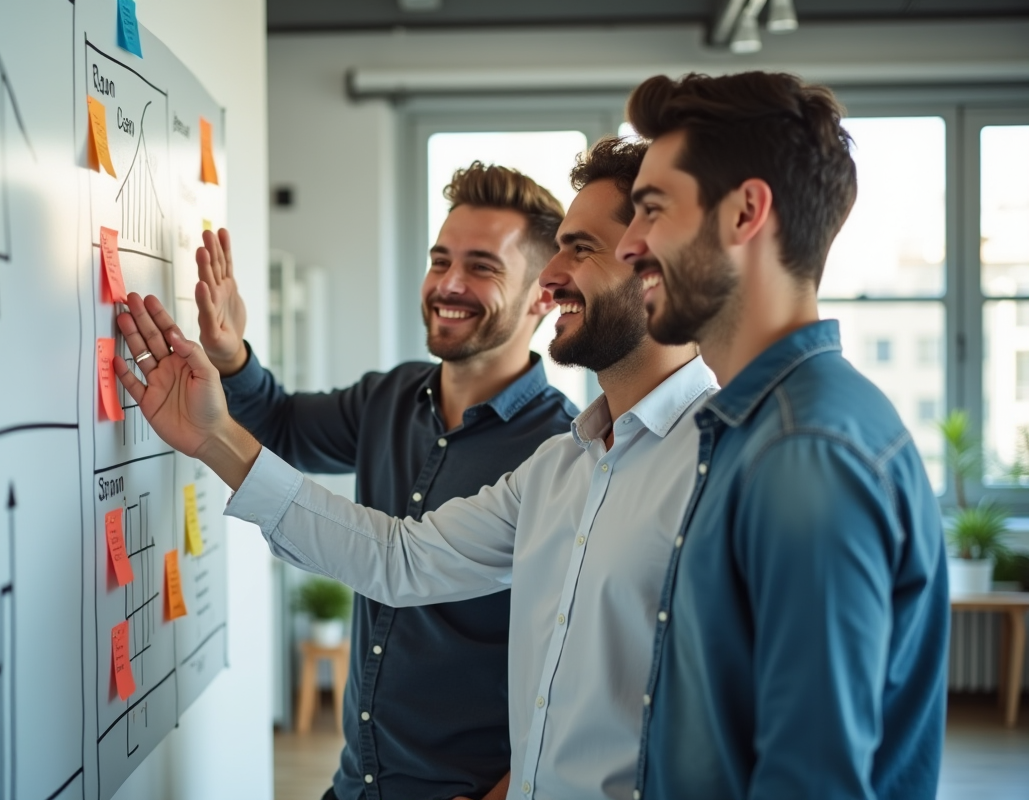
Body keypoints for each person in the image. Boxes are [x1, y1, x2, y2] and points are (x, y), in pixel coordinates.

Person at [112, 137, 718, 799]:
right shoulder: (565, 462)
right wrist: (216, 426)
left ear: (654, 262)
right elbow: (399, 560)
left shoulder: (717, 464)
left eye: (582, 250)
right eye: (440, 260)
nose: (553, 275)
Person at [188, 163, 577, 800]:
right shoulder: (390, 396)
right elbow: (282, 424)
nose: (448, 283)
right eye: (440, 259)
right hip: (356, 783)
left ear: (543, 295)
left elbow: (573, 663)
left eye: (482, 266)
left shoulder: (560, 451)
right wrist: (232, 356)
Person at [616, 71, 949, 800]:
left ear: (745, 213)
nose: (628, 246)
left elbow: (812, 781)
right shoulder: (756, 426)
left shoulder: (805, 453)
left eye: (651, 209)